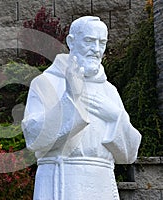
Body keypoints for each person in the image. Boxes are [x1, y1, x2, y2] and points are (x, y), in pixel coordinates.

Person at [22, 16, 142, 200]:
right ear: (71, 42)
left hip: (102, 184)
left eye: (102, 43)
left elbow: (129, 155)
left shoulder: (110, 91)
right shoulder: (46, 83)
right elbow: (34, 137)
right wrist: (71, 97)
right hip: (61, 180)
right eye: (89, 41)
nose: (96, 49)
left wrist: (114, 116)